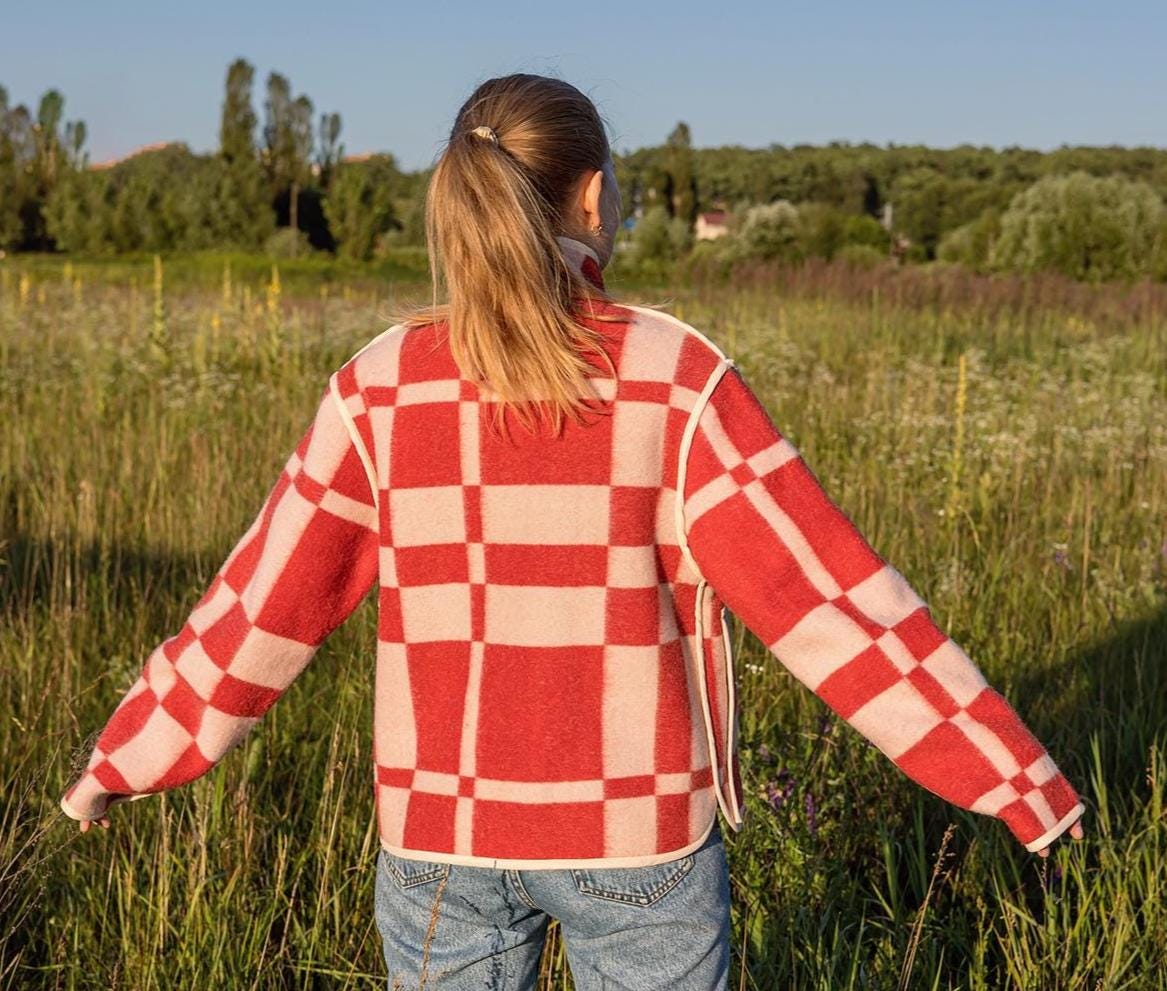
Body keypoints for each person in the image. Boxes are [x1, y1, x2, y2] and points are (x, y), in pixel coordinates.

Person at [60, 73, 1085, 990]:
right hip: (640, 839)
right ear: (592, 196)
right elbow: (830, 607)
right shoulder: (677, 379)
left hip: (439, 842)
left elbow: (259, 611)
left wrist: (122, 759)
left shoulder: (377, 387)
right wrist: (1014, 777)